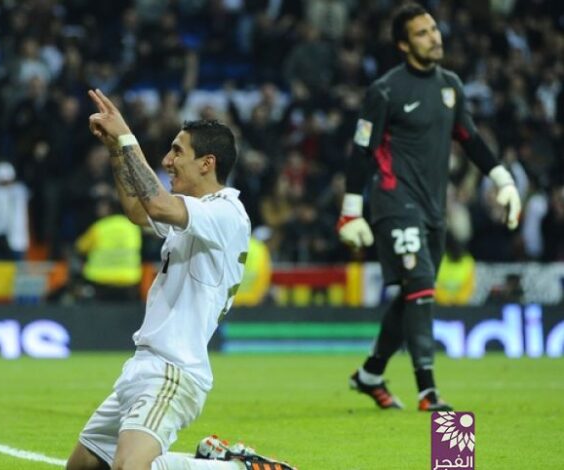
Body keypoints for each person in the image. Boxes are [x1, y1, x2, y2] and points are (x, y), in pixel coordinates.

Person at [65, 89, 295, 470]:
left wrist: (127, 137)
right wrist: (115, 150)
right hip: (143, 366)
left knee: (129, 469)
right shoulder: (194, 212)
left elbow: (155, 203)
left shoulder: (227, 213)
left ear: (207, 163)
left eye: (176, 152)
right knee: (82, 468)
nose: (167, 161)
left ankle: (236, 468)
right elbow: (138, 209)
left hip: (173, 368)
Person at [338, 3, 521, 412]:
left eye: (434, 29)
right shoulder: (385, 91)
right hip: (394, 201)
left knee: (412, 294)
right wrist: (351, 210)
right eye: (422, 33)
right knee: (420, 285)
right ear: (404, 45)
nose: (434, 37)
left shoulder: (450, 86)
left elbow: (470, 139)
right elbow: (362, 150)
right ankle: (428, 392)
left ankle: (370, 374)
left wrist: (503, 180)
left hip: (434, 208)